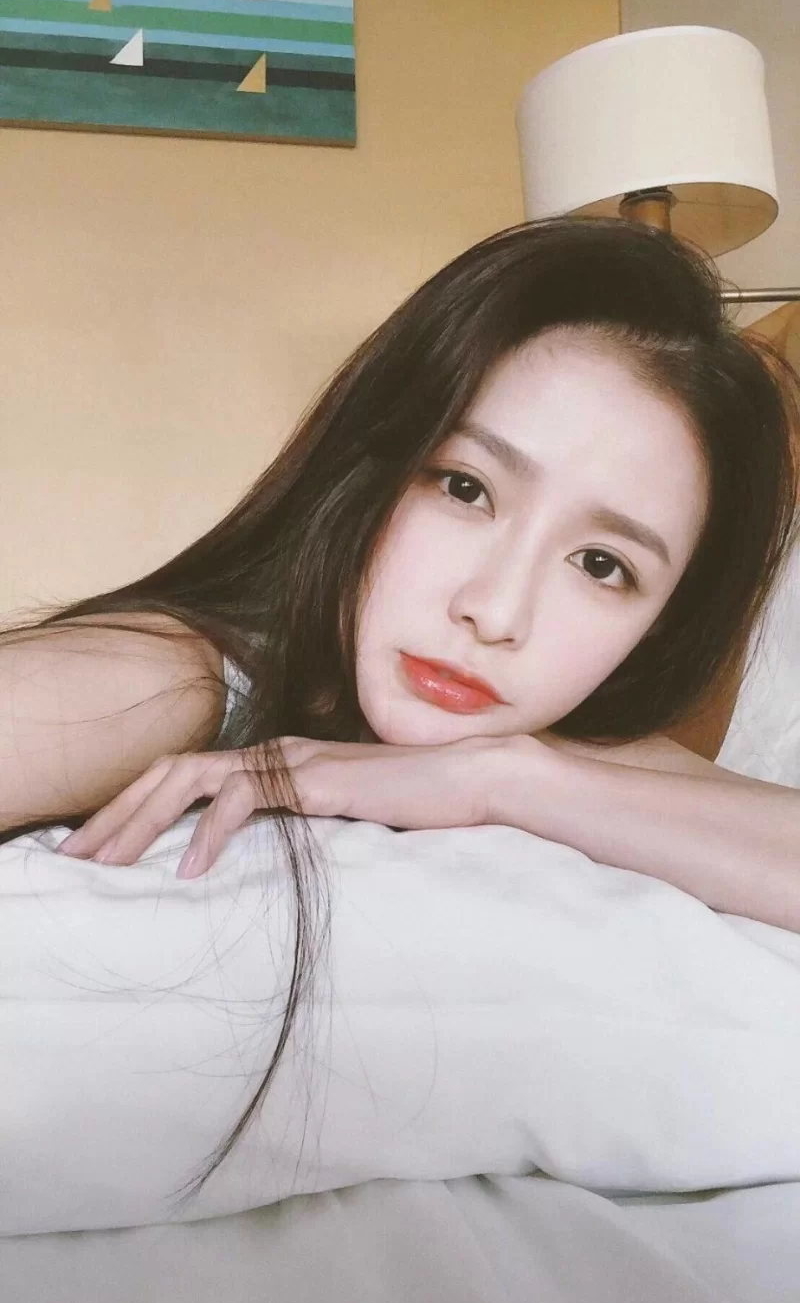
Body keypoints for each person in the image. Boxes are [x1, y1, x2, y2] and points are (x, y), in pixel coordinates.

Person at [1, 216, 799, 1200]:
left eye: (601, 564)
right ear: (369, 472)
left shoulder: (555, 750)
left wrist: (500, 778)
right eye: (465, 487)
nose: (495, 611)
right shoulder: (169, 682)